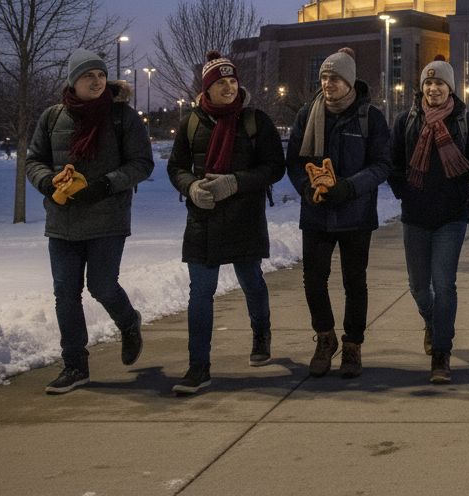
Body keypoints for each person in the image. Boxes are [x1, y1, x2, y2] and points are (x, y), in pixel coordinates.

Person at [26, 48, 154, 394]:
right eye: (88, 76)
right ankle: (75, 365)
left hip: (107, 218)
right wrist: (49, 181)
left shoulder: (121, 117)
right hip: (63, 220)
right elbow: (34, 160)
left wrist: (103, 185)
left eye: (100, 75)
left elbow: (142, 163)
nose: (97, 81)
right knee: (65, 294)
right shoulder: (52, 118)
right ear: (73, 81)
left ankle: (128, 322)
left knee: (101, 285)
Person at [166, 51, 286, 395]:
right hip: (203, 219)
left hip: (244, 218)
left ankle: (261, 334)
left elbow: (273, 167)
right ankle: (198, 367)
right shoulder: (191, 122)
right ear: (208, 88)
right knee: (200, 294)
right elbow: (175, 167)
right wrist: (190, 187)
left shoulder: (254, 121)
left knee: (252, 282)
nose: (230, 87)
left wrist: (234, 182)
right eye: (222, 83)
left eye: (233, 81)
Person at [286, 47, 390, 379]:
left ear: (350, 81)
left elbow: (382, 164)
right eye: (324, 77)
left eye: (335, 78)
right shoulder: (308, 114)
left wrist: (350, 187)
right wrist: (307, 188)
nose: (328, 84)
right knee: (313, 280)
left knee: (354, 282)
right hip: (316, 213)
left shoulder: (369, 117)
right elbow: (295, 162)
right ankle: (325, 337)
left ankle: (353, 344)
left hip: (355, 214)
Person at [387, 55, 469, 384]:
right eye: (428, 83)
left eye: (439, 83)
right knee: (417, 286)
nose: (433, 88)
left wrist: (461, 196)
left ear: (451, 89)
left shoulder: (467, 123)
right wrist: (405, 193)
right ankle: (432, 322)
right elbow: (394, 163)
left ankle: (441, 353)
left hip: (451, 219)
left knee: (444, 285)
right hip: (415, 215)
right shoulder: (406, 121)